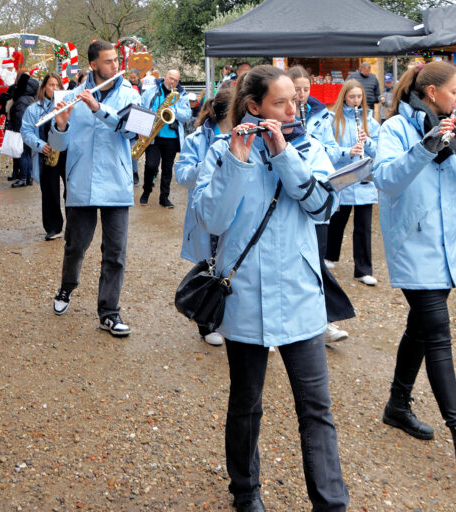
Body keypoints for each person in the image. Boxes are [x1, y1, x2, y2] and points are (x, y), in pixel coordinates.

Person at [192, 65, 348, 512]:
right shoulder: (222, 149)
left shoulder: (309, 147)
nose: (292, 109)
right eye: (280, 102)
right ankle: (245, 493)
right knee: (246, 403)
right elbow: (212, 220)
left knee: (316, 407)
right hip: (244, 293)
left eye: (294, 101)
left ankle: (331, 503)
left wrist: (285, 156)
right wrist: (237, 163)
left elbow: (323, 208)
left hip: (300, 292)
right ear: (254, 106)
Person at [373, 61, 456, 474]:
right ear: (431, 93)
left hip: (445, 249)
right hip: (413, 245)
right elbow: (386, 179)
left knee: (421, 330)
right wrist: (424, 149)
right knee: (438, 333)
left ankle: (397, 405)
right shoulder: (396, 128)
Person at [49, 40, 140, 337]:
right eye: (108, 61)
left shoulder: (131, 93)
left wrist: (99, 109)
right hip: (81, 182)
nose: (115, 66)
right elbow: (57, 147)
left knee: (115, 252)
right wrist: (60, 125)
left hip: (117, 181)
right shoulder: (70, 96)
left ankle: (109, 312)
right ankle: (66, 287)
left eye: (116, 60)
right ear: (93, 65)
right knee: (75, 246)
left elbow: (135, 132)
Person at [288, 65, 354, 342]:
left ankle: (323, 322)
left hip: (317, 197)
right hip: (292, 200)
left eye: (306, 89)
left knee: (316, 263)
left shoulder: (322, 114)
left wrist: (314, 144)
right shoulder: (280, 114)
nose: (302, 94)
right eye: (297, 89)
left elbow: (333, 152)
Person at [174, 87, 233, 347]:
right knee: (209, 266)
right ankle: (206, 323)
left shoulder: (246, 135)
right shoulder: (196, 139)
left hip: (234, 209)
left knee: (234, 265)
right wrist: (208, 164)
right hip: (207, 210)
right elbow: (182, 175)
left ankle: (232, 320)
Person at [326, 79, 380, 286]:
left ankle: (363, 270)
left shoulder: (369, 120)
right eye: (352, 97)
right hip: (345, 176)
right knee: (337, 220)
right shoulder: (334, 120)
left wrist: (367, 142)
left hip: (364, 178)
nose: (356, 100)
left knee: (363, 226)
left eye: (359, 97)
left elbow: (379, 149)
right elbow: (329, 150)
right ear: (344, 97)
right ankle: (329, 255)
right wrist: (347, 152)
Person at [21, 73, 68, 241]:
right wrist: (41, 146)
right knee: (50, 192)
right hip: (47, 155)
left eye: (58, 85)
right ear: (44, 88)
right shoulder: (33, 109)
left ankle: (74, 225)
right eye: (51, 85)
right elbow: (26, 131)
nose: (55, 88)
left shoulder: (67, 106)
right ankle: (53, 227)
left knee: (72, 190)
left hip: (67, 153)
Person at [139, 69, 191, 208]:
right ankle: (146, 191)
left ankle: (164, 197)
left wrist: (174, 111)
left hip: (171, 138)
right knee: (151, 165)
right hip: (153, 136)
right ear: (165, 76)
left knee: (167, 168)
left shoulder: (182, 94)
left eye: (176, 80)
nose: (173, 82)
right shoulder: (151, 91)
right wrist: (141, 128)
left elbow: (187, 115)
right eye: (171, 78)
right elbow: (142, 107)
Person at [8, 73, 39, 188]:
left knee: (22, 154)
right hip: (29, 130)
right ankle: (29, 177)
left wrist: (17, 130)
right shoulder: (31, 98)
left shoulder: (22, 100)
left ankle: (23, 178)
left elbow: (20, 117)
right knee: (27, 154)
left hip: (21, 130)